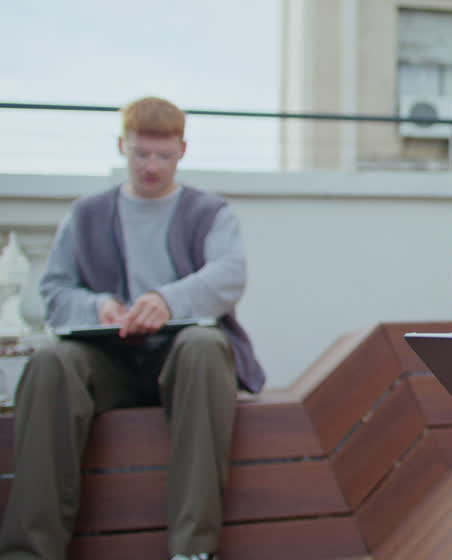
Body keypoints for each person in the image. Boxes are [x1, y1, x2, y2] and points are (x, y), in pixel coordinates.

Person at [0, 97, 265, 560]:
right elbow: (55, 292)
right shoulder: (85, 214)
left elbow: (230, 275)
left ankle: (193, 550)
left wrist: (167, 301)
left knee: (205, 344)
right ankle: (28, 552)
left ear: (182, 151)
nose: (151, 166)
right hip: (106, 362)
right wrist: (97, 306)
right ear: (123, 145)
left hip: (183, 361)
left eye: (163, 155)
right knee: (48, 364)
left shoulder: (210, 211)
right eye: (141, 153)